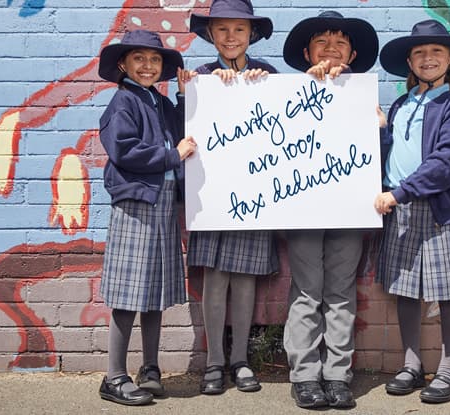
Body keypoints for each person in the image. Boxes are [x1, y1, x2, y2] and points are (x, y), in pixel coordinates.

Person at [374, 19, 450, 404]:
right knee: (406, 288)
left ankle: (449, 369)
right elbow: (391, 155)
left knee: (447, 289)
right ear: (409, 61)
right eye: (420, 52)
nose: (428, 58)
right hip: (399, 208)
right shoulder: (402, 104)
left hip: (436, 209)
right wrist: (385, 131)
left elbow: (446, 163)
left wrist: (399, 193)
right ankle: (411, 364)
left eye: (436, 51)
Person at [280, 10, 379, 409]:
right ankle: (304, 375)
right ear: (307, 52)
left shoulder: (364, 97)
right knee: (307, 292)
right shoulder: (283, 94)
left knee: (340, 292)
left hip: (351, 209)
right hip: (304, 208)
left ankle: (337, 374)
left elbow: (378, 160)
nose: (331, 48)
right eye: (322, 41)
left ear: (352, 53)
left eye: (340, 42)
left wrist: (380, 131)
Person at [96, 29, 197, 406]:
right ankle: (114, 376)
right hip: (137, 204)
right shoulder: (123, 102)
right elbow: (124, 151)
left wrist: (184, 96)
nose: (148, 66)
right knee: (128, 292)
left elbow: (181, 130)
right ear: (123, 64)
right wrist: (172, 156)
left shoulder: (156, 100)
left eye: (154, 60)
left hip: (163, 199)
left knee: (152, 291)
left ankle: (150, 368)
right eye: (139, 59)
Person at [182, 0, 278, 395]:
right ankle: (214, 362)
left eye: (239, 30)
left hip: (253, 195)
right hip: (212, 196)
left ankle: (240, 360)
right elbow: (184, 130)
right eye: (222, 29)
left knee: (244, 282)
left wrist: (262, 86)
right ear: (210, 35)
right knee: (216, 279)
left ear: (251, 34)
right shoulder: (199, 77)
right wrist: (186, 92)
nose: (230, 37)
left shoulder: (267, 75)